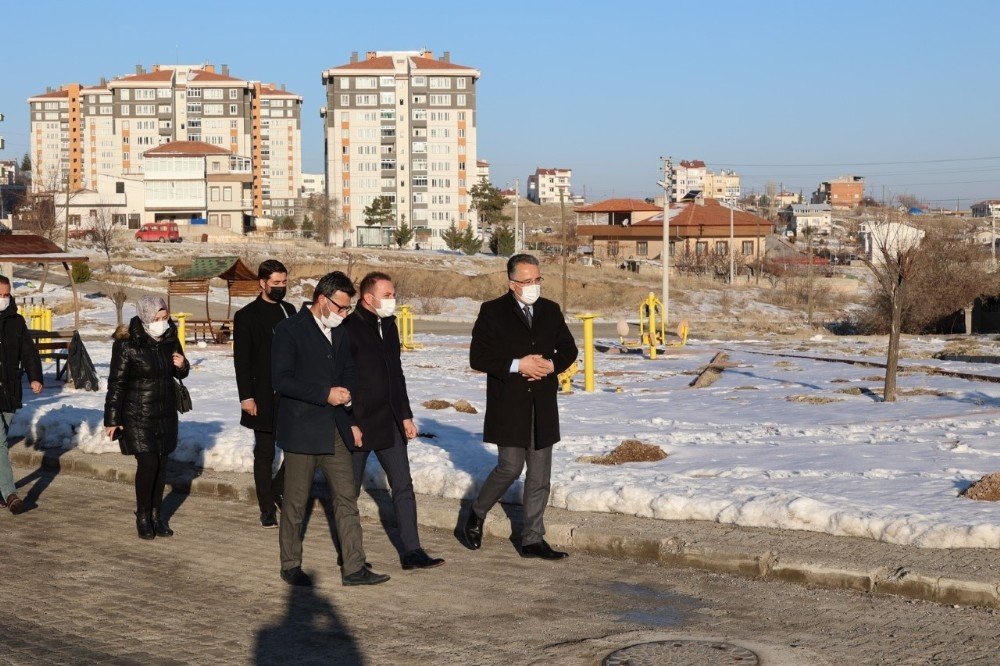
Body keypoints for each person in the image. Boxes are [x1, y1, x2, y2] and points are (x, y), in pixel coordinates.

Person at [271, 271, 389, 587]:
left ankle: (354, 567)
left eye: (348, 308)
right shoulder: (289, 330)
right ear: (322, 300)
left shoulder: (341, 331)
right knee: (296, 503)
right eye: (340, 307)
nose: (345, 314)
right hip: (301, 431)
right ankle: (291, 564)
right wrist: (325, 393)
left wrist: (348, 403)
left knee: (347, 501)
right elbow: (281, 380)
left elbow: (350, 370)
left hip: (336, 429)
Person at [464, 254, 578, 559]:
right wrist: (517, 365)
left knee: (540, 476)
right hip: (509, 404)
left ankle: (532, 539)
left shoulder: (550, 310)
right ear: (512, 283)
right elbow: (478, 358)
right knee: (510, 467)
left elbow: (569, 348)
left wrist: (552, 365)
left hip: (542, 404)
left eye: (537, 279)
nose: (534, 286)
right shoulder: (492, 312)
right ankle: (477, 512)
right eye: (527, 281)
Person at [345, 272, 444, 570]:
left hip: (389, 421)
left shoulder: (389, 325)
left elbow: (395, 374)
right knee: (348, 491)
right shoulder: (349, 328)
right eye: (387, 295)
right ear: (368, 298)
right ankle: (351, 555)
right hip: (359, 423)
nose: (392, 300)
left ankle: (412, 551)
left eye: (392, 294)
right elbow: (343, 378)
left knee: (403, 486)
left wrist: (405, 415)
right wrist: (350, 421)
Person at [104, 295, 189, 540]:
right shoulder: (127, 343)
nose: (162, 323)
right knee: (148, 464)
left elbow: (179, 371)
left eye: (165, 318)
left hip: (165, 412)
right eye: (157, 318)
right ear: (145, 317)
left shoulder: (170, 338)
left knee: (162, 467)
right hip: (137, 415)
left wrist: (183, 365)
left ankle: (156, 516)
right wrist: (112, 419)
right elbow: (116, 384)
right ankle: (142, 516)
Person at [233, 259, 295, 528]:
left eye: (284, 283)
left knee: (297, 448)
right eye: (276, 283)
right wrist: (246, 397)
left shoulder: (289, 311)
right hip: (261, 394)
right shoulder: (246, 316)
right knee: (265, 452)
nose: (281, 288)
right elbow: (241, 361)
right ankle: (266, 507)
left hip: (290, 393)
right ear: (262, 283)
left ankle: (276, 487)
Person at [0, 275, 43, 515]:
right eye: (0, 295)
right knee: (0, 443)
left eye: (7, 295)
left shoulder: (16, 321)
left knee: (0, 440)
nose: (4, 299)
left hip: (9, 390)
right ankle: (10, 492)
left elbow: (28, 352)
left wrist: (35, 377)